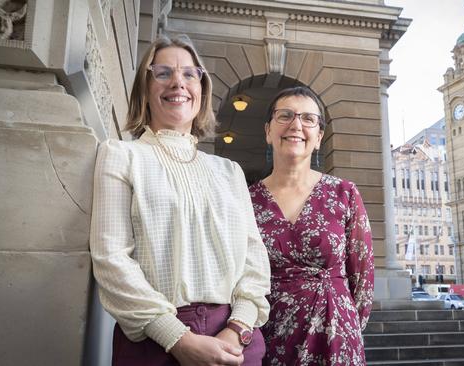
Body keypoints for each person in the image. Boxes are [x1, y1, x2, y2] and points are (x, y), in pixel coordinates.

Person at [90, 35, 271, 366]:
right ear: (144, 88)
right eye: (163, 73)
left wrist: (237, 328)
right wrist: (177, 338)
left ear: (202, 89)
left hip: (235, 341)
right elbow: (111, 259)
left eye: (190, 74)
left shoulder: (229, 171)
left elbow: (255, 262)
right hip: (154, 341)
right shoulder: (121, 155)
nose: (178, 82)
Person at [248, 86, 374, 365]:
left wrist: (346, 325)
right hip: (271, 337)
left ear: (318, 138)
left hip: (336, 337)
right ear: (268, 131)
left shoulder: (344, 193)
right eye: (286, 115)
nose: (296, 125)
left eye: (308, 118)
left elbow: (363, 279)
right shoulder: (247, 200)